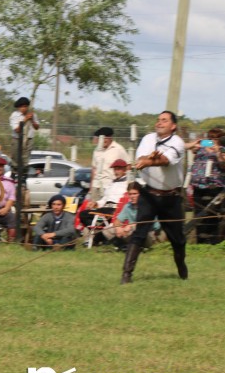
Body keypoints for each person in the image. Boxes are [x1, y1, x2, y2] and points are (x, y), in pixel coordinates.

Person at [121, 110, 188, 285]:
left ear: (173, 126)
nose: (159, 123)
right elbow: (142, 157)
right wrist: (147, 159)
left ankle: (181, 268)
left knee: (178, 240)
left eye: (164, 121)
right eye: (158, 120)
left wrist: (151, 161)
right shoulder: (148, 139)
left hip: (171, 198)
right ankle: (126, 275)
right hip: (148, 194)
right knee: (139, 233)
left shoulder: (178, 143)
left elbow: (166, 161)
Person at [186, 128, 225, 244]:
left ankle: (213, 241)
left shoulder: (223, 150)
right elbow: (192, 149)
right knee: (198, 214)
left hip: (214, 186)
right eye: (210, 138)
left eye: (215, 138)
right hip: (198, 186)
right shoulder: (200, 149)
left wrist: (217, 153)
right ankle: (200, 241)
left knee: (212, 215)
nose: (212, 141)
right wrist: (196, 144)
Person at [102, 182, 164, 249]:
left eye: (135, 194)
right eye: (130, 194)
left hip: (149, 235)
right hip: (131, 234)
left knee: (135, 229)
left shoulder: (148, 205)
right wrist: (118, 228)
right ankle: (124, 245)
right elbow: (117, 221)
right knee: (106, 230)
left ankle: (126, 245)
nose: (132, 196)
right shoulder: (128, 206)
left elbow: (156, 225)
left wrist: (132, 225)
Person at [78, 159, 130, 228]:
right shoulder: (111, 184)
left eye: (118, 169)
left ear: (124, 170)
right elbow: (104, 199)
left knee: (96, 217)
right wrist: (96, 203)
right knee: (83, 214)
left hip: (115, 210)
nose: (116, 172)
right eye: (115, 169)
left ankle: (99, 228)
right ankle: (98, 228)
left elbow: (127, 201)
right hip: (105, 208)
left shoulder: (127, 184)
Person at [90, 127, 130, 202]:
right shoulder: (96, 150)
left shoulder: (118, 149)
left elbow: (128, 165)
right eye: (101, 138)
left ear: (110, 137)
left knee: (106, 208)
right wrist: (91, 188)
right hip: (96, 186)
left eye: (105, 138)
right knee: (93, 208)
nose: (103, 140)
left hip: (110, 186)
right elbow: (93, 169)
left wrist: (123, 182)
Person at [9, 97, 39, 163]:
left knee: (25, 160)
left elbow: (37, 127)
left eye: (25, 106)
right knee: (16, 160)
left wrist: (32, 120)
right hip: (17, 139)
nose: (23, 108)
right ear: (18, 107)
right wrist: (25, 119)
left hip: (29, 140)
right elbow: (17, 130)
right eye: (21, 107)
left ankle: (24, 171)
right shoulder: (14, 115)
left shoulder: (33, 115)